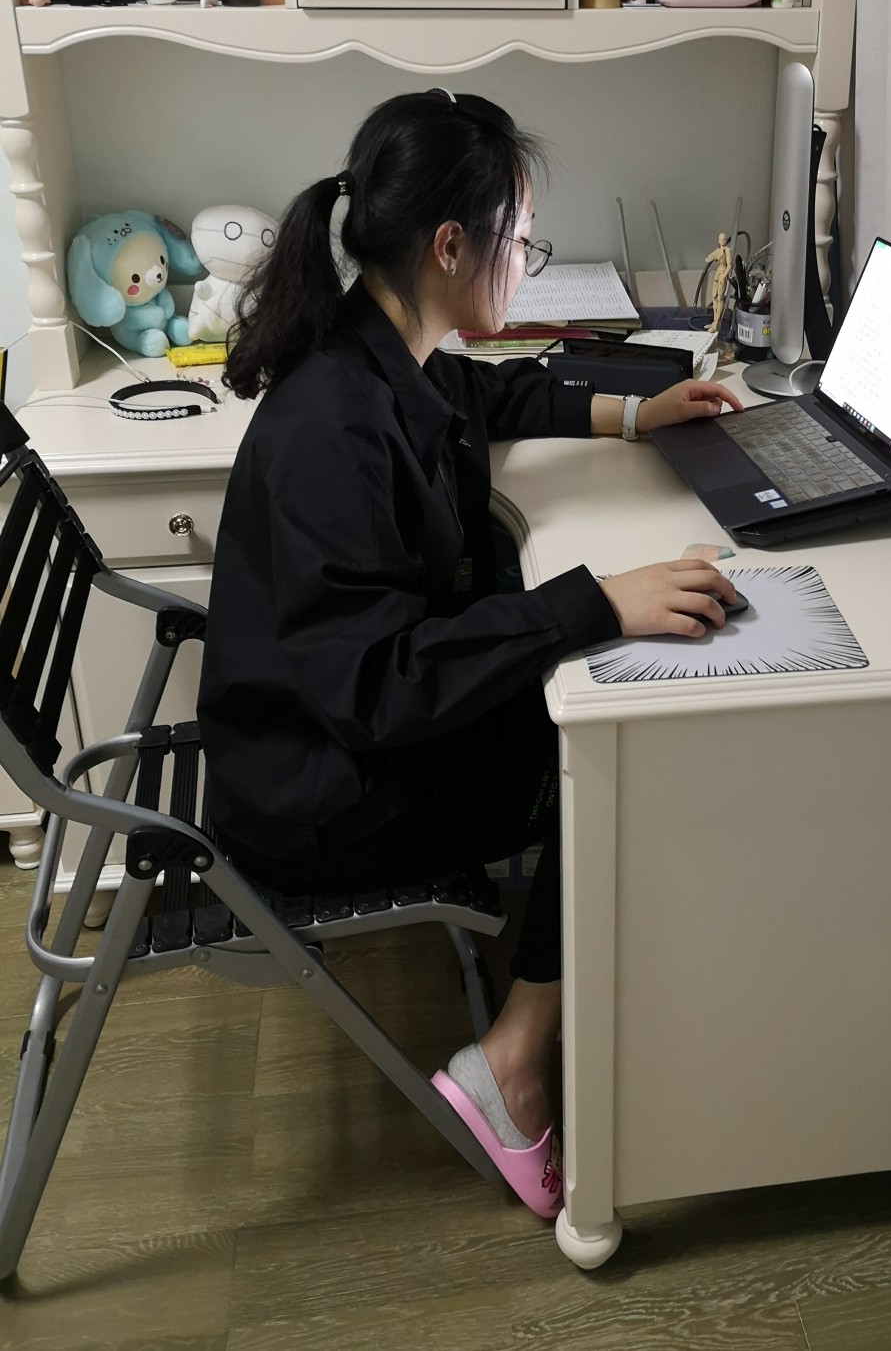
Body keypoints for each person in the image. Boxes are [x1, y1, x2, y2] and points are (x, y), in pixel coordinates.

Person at [199, 90, 742, 1220]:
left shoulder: (386, 351)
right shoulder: (335, 427)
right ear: (451, 245)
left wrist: (640, 412)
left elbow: (494, 391)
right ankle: (515, 1054)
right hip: (316, 794)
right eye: (521, 242)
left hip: (314, 733)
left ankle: (555, 999)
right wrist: (595, 602)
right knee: (611, 749)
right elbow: (381, 688)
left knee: (579, 687)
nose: (526, 267)